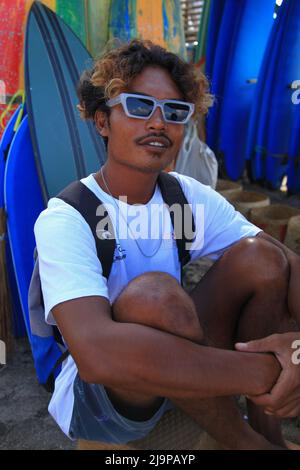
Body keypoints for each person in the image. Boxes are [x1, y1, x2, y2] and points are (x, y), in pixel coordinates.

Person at [34, 39, 300, 450]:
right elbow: (95, 354)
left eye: (175, 113)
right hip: (108, 399)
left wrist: (298, 352)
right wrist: (267, 370)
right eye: (139, 106)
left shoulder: (184, 196)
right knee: (154, 295)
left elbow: (285, 262)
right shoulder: (67, 217)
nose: (159, 123)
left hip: (186, 360)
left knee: (262, 259)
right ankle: (244, 442)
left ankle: (267, 431)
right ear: (103, 121)